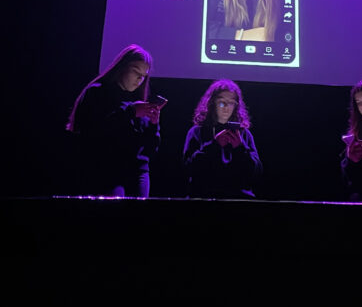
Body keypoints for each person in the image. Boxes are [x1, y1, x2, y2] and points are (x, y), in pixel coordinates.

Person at [65, 44, 162, 198]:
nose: (140, 79)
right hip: (107, 169)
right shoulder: (98, 92)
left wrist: (153, 125)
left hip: (138, 171)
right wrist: (131, 112)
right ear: (122, 67)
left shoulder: (138, 101)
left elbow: (149, 150)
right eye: (136, 71)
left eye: (144, 76)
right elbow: (94, 130)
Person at [182, 79, 262, 199]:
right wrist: (214, 145)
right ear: (212, 103)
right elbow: (189, 168)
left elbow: (255, 173)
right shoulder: (197, 132)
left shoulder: (244, 134)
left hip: (239, 197)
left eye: (231, 103)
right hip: (204, 196)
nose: (226, 107)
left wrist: (240, 148)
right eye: (221, 102)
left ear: (236, 106)